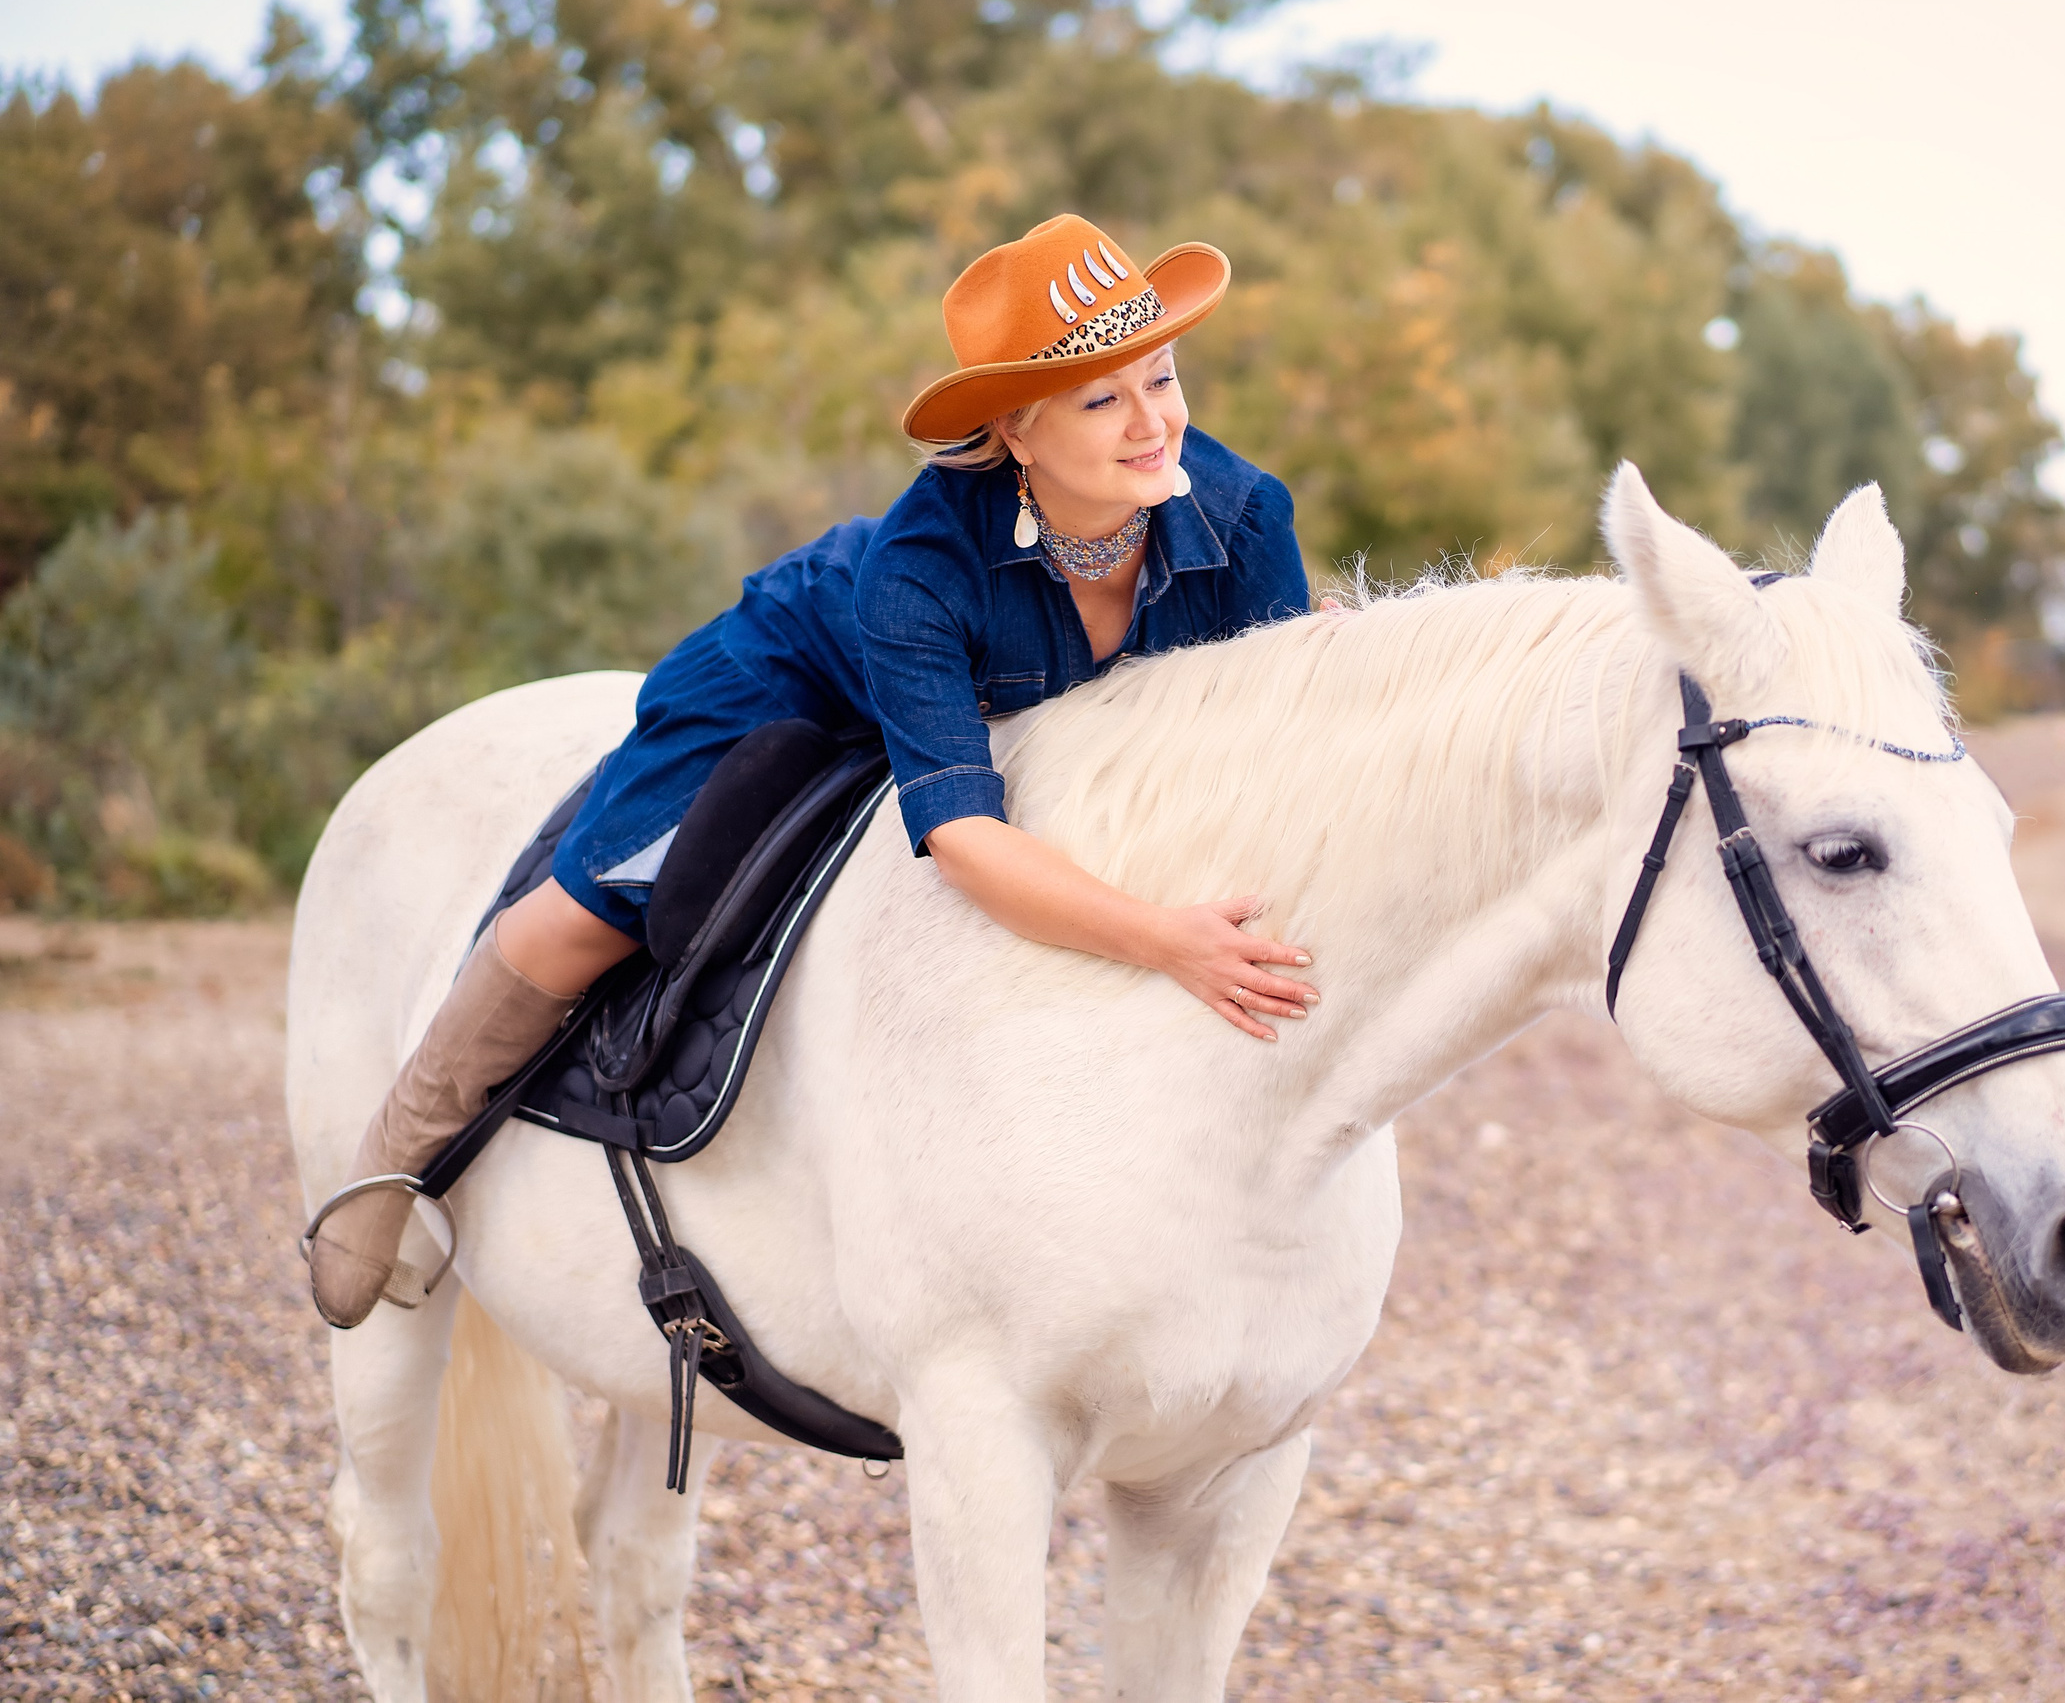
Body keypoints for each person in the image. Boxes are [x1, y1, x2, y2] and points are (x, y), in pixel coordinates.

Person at [308, 214, 1321, 1329]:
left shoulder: (1243, 515)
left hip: (1007, 702)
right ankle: (393, 1158)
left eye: (1163, 379)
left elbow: (1274, 748)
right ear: (1018, 434)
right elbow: (964, 844)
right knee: (598, 910)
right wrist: (1163, 939)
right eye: (1103, 399)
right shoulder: (919, 568)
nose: (1152, 423)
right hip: (801, 672)